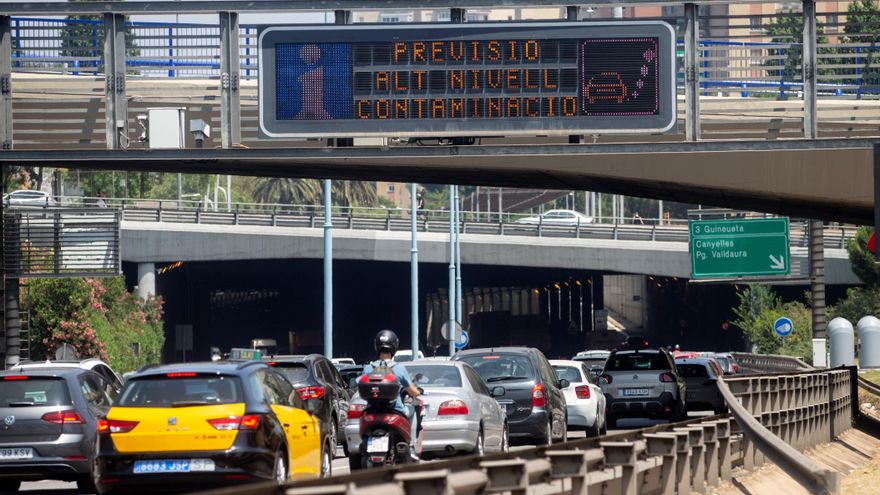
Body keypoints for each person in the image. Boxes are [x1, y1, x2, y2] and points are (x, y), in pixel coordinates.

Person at [361, 329, 421, 458]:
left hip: (371, 410)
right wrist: (418, 392)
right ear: (394, 347)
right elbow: (413, 391)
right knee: (413, 411)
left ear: (377, 346)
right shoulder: (399, 368)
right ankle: (412, 446)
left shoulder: (368, 368)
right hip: (395, 410)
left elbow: (358, 386)